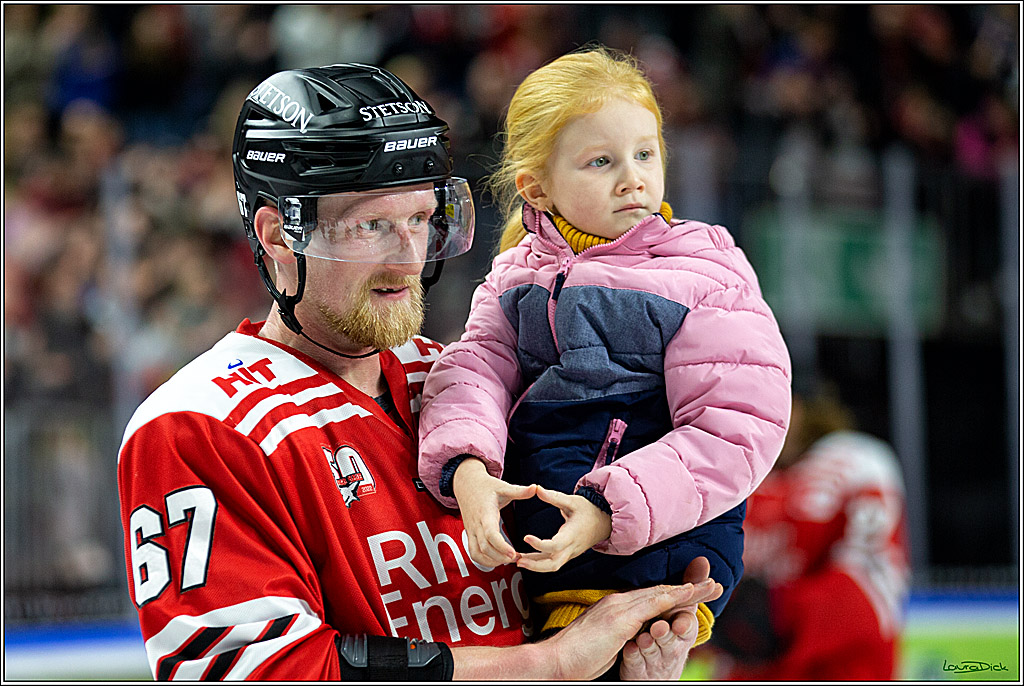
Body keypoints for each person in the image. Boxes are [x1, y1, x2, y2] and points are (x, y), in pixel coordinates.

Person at [116, 63, 723, 681]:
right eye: (372, 226)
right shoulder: (199, 427)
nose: (408, 257)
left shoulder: (459, 382)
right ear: (278, 236)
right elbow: (265, 673)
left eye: (420, 219)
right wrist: (552, 663)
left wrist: (624, 656)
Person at [416, 45, 792, 647]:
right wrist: (466, 470)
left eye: (645, 153)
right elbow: (472, 372)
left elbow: (737, 426)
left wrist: (607, 512)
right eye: (601, 161)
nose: (633, 177)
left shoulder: (703, 271)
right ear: (536, 189)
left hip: (658, 541)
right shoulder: (515, 276)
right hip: (548, 544)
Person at [709, 388, 911, 680]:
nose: (757, 418)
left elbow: (875, 585)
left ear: (801, 405)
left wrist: (781, 612)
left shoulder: (854, 464)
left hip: (841, 670)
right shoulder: (740, 477)